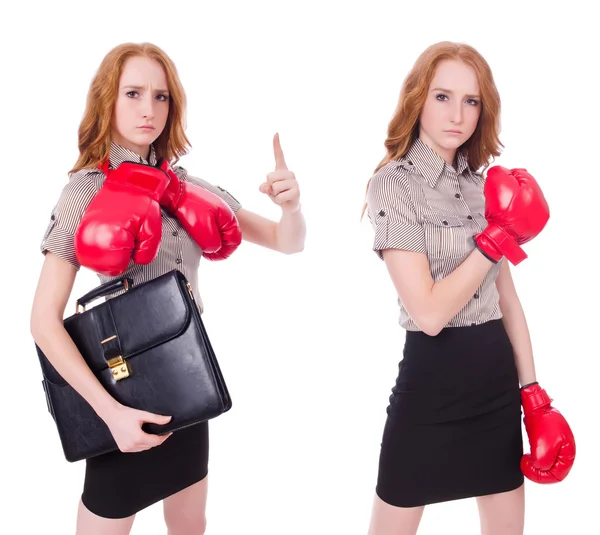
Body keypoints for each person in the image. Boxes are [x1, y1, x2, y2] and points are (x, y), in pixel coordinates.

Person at [30, 42, 306, 535]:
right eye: (133, 93)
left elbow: (287, 243)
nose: (148, 109)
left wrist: (291, 205)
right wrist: (111, 414)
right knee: (106, 522)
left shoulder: (184, 186)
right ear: (107, 100)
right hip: (121, 386)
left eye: (160, 97)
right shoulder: (85, 190)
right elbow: (42, 322)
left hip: (187, 373)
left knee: (190, 522)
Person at [363, 41, 575, 535]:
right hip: (430, 384)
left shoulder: (484, 187)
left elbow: (507, 300)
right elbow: (429, 313)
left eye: (471, 101)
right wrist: (496, 236)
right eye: (442, 97)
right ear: (418, 99)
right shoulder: (393, 185)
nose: (457, 114)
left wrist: (533, 394)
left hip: (495, 385)